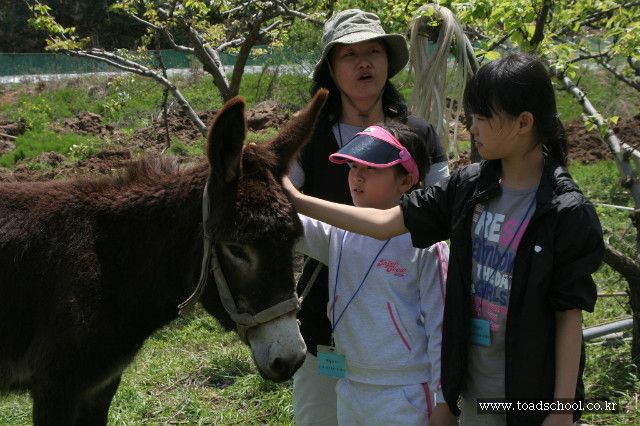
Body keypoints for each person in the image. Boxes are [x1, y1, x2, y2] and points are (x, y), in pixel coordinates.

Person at [285, 53, 604, 426]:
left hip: (529, 392)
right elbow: (386, 222)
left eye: (482, 117)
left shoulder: (564, 211)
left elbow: (569, 315)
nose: (472, 127)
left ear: (523, 122)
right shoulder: (468, 187)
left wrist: (562, 409)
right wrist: (294, 200)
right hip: (473, 387)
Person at [288, 9, 449, 426]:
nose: (364, 63)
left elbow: (442, 211)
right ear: (330, 67)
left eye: (373, 52)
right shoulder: (310, 135)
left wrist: (443, 398)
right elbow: (285, 208)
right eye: (350, 54)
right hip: (324, 318)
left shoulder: (417, 134)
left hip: (400, 343)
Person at [294, 121, 453, 425]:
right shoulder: (339, 233)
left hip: (404, 394)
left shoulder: (427, 246)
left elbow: (441, 329)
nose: (357, 175)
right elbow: (289, 224)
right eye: (353, 166)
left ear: (406, 181)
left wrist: (444, 401)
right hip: (351, 386)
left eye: (372, 168)